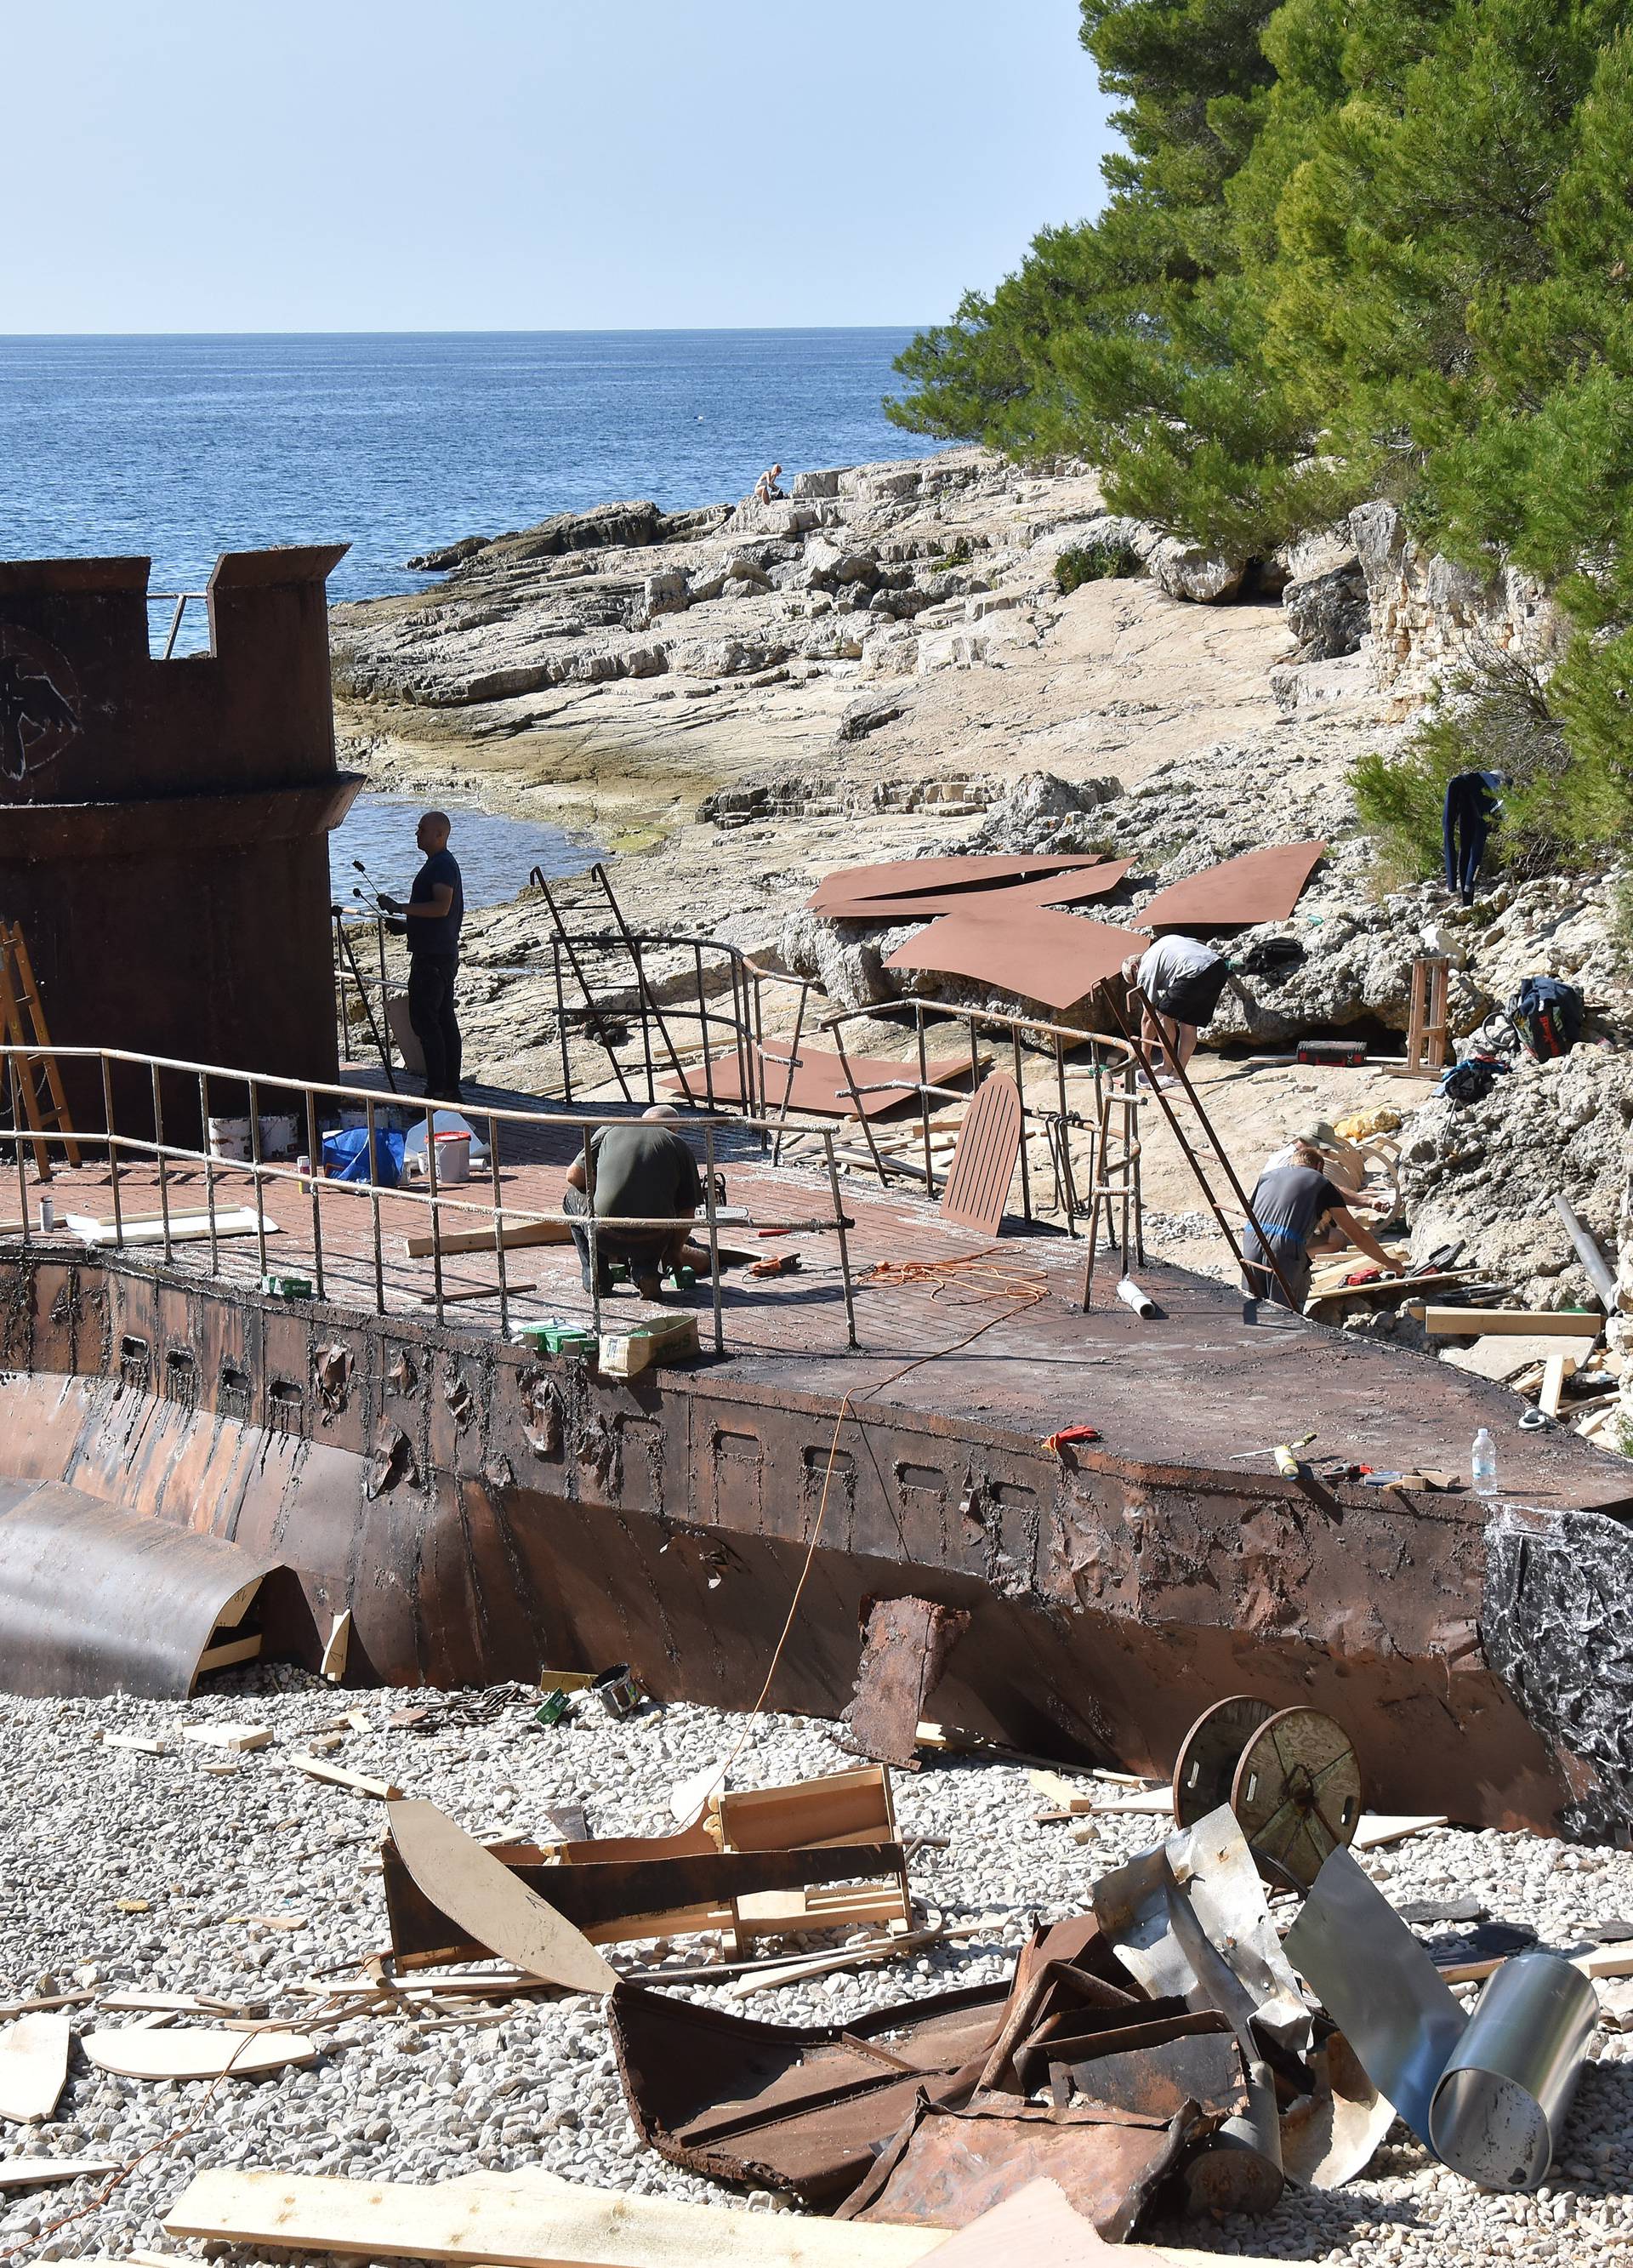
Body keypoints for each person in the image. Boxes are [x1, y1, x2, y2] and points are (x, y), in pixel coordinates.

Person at [563, 1104, 707, 1298]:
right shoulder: (678, 1145)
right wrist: (674, 1250)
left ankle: (597, 1276)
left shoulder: (610, 1128)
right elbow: (687, 1212)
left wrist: (606, 1182)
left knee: (572, 1196)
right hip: (654, 1239)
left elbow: (574, 1177)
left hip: (605, 1233)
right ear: (674, 1128)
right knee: (663, 1206)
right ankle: (646, 1273)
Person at [1240, 1139, 1398, 1310]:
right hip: (1284, 1247)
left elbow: (1254, 1210)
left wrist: (1368, 1201)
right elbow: (1357, 1235)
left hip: (1250, 1241)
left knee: (1253, 1304)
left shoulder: (1267, 1177)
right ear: (1319, 1167)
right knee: (1285, 1313)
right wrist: (1389, 1262)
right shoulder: (1320, 1182)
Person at [381, 812, 464, 1103]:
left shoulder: (441, 865)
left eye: (422, 829)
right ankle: (448, 1089)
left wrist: (401, 908)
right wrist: (407, 926)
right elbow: (438, 915)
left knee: (427, 1022)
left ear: (439, 835)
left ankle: (438, 1090)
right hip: (439, 952)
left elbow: (441, 907)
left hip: (433, 957)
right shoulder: (440, 864)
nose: (417, 833)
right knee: (442, 1020)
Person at [1264, 1120, 1393, 1253]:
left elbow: (1330, 1189)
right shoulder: (1294, 1166)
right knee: (1337, 1239)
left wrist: (1369, 1201)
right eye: (1325, 1150)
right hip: (1279, 1234)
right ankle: (1297, 1256)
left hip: (1265, 1230)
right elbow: (1331, 1192)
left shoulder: (1284, 1156)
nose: (1327, 1155)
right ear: (1314, 1146)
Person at [1122, 935, 1232, 1083]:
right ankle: (1178, 1075)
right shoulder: (1164, 943)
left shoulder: (1144, 970)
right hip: (1217, 968)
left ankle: (1168, 1066)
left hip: (1193, 972)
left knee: (1161, 1014)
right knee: (1188, 1023)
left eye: (1134, 980)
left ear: (1135, 967)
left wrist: (1145, 1057)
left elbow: (1148, 1018)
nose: (1137, 984)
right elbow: (1198, 943)